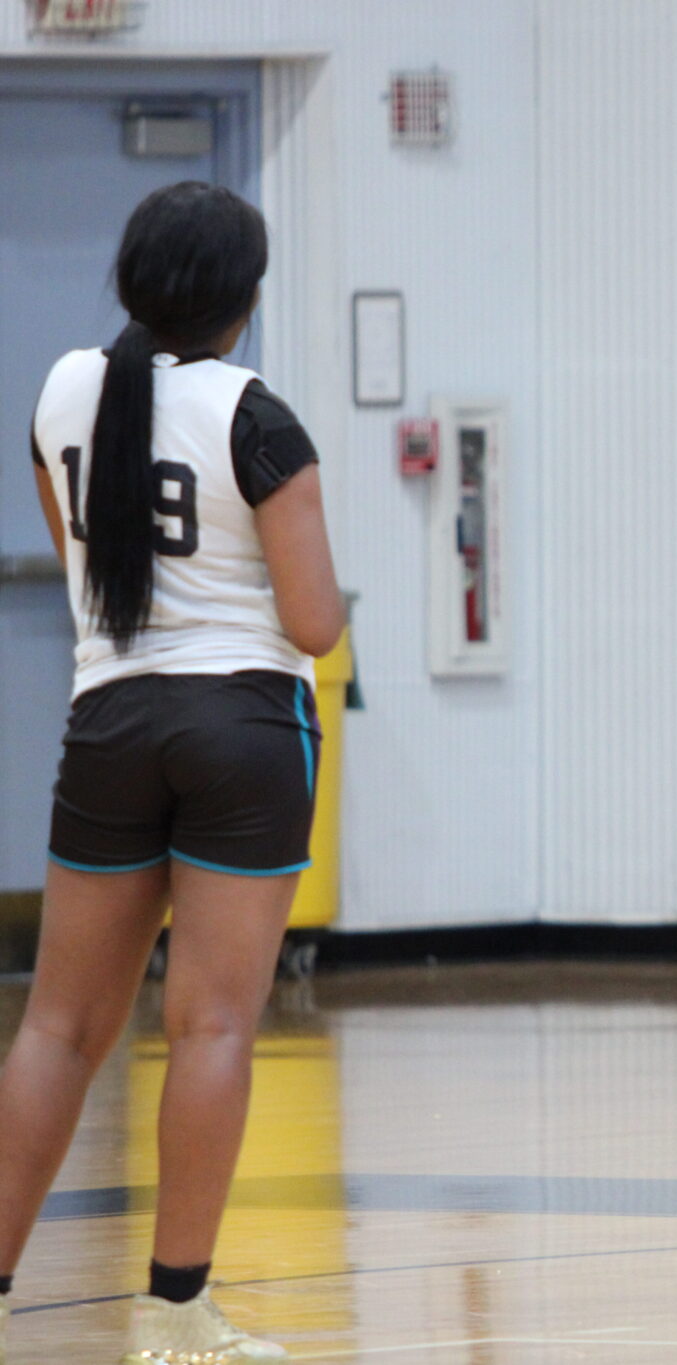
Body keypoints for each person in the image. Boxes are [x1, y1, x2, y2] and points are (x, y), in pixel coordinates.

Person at [0, 181, 342, 1363]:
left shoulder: (58, 393)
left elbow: (88, 575)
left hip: (110, 722)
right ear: (242, 301)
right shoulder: (259, 417)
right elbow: (311, 624)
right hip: (243, 727)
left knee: (55, 1029)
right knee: (206, 1030)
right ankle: (177, 1316)